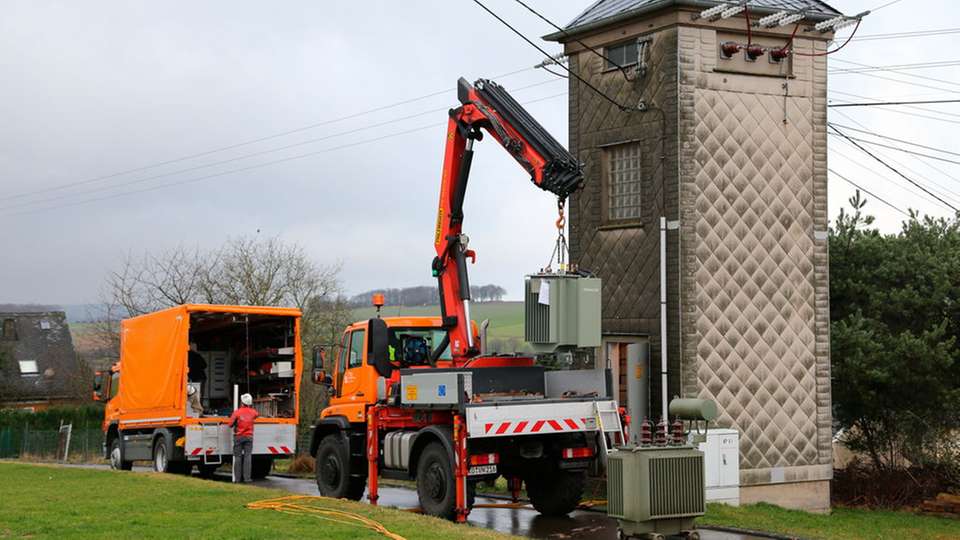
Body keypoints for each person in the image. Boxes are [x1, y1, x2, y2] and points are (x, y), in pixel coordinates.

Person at [228, 393, 258, 483]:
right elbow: (256, 415)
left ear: (242, 402)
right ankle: (247, 478)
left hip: (238, 437)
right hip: (249, 437)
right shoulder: (253, 412)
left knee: (238, 457)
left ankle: (237, 479)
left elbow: (230, 424)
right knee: (248, 457)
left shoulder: (237, 412)